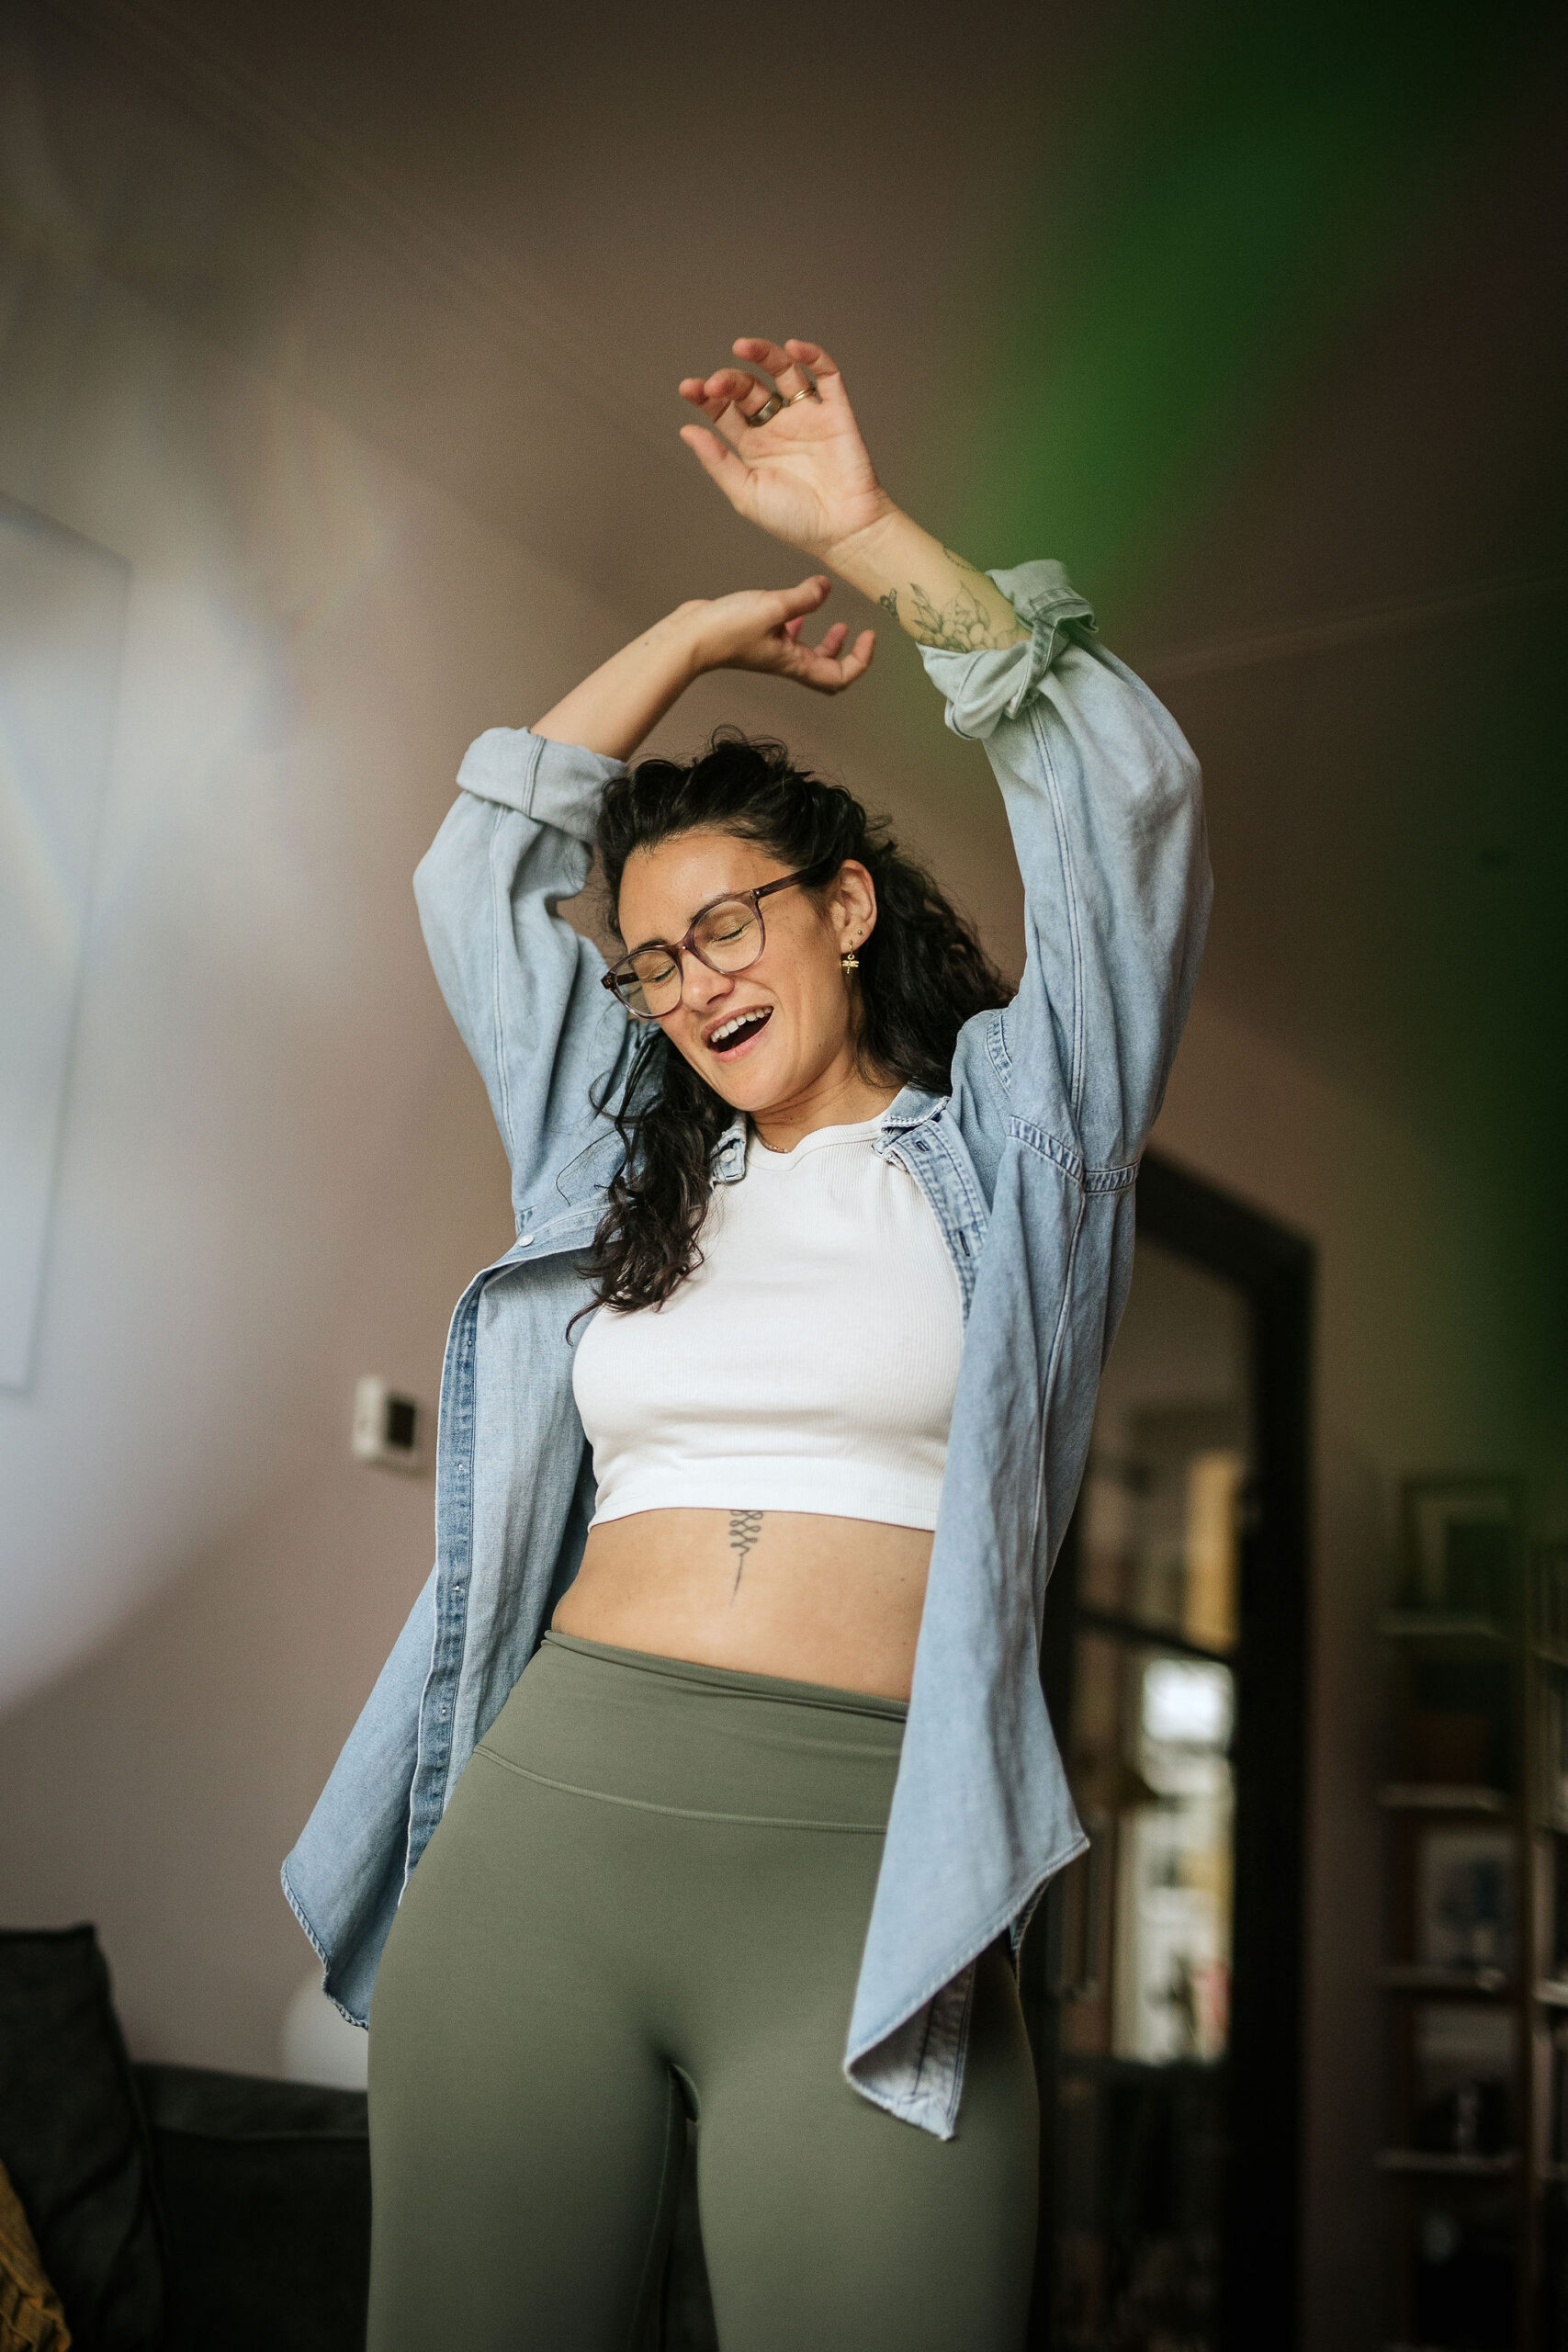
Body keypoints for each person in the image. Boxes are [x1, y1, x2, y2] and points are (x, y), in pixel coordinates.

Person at [282, 334, 1211, 2351]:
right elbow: (477, 867)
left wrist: (858, 535)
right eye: (645, 957)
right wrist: (700, 633)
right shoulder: (621, 1161)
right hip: (551, 1831)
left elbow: (1124, 798)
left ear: (848, 903)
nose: (686, 982)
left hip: (876, 1874)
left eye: (726, 924)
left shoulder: (1019, 1144)